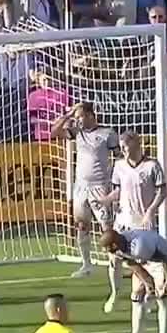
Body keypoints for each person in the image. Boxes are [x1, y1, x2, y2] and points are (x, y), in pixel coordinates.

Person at [97, 132, 167, 315]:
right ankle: (115, 293)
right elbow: (118, 191)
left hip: (142, 223)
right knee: (114, 259)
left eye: (125, 147)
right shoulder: (119, 166)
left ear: (136, 144)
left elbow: (162, 192)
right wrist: (106, 199)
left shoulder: (152, 166)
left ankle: (149, 294)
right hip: (123, 222)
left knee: (144, 262)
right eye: (121, 147)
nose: (123, 151)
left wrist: (150, 212)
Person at [50, 102, 119, 278]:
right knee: (81, 225)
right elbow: (54, 132)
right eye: (76, 117)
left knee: (107, 228)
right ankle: (86, 265)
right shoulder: (77, 133)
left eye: (79, 116)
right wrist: (69, 114)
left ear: (89, 115)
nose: (77, 120)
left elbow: (119, 157)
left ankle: (115, 263)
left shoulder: (107, 134)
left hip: (100, 186)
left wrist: (115, 179)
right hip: (80, 187)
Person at [103, 227, 167, 333]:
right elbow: (132, 263)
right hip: (141, 261)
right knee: (136, 297)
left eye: (107, 247)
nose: (106, 250)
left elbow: (164, 260)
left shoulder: (139, 246)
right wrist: (147, 283)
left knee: (161, 298)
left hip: (159, 261)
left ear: (114, 244)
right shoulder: (118, 247)